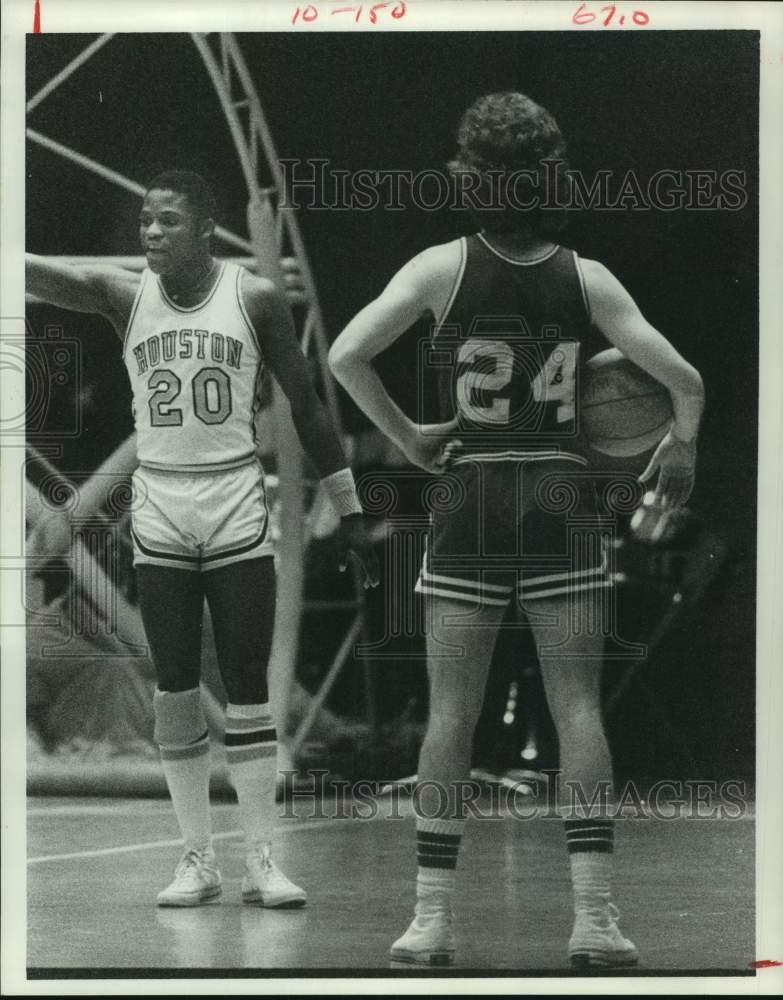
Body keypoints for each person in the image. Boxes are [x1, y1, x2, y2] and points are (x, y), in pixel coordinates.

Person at [329, 93, 704, 967]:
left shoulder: (437, 268)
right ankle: (594, 919)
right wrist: (679, 448)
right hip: (559, 502)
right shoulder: (588, 277)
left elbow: (346, 354)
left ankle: (429, 920)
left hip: (468, 501)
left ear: (471, 175)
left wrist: (410, 437)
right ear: (551, 178)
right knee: (575, 709)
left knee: (449, 715)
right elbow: (683, 380)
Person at [26, 170, 379, 909]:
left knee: (247, 689)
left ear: (207, 228)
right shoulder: (125, 294)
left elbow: (309, 406)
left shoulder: (253, 298)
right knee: (176, 687)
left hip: (232, 503)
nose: (150, 234)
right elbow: (53, 278)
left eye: (167, 222)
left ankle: (260, 858)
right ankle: (197, 858)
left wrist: (348, 504)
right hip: (161, 507)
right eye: (145, 222)